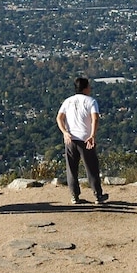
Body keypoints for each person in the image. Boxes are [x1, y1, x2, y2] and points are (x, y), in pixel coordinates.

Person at [56, 77, 108, 205]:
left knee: (72, 169)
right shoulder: (91, 101)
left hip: (71, 139)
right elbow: (95, 118)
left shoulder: (68, 101)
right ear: (85, 88)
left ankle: (74, 196)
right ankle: (98, 195)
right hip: (85, 138)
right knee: (91, 168)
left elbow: (59, 118)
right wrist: (92, 135)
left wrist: (65, 132)